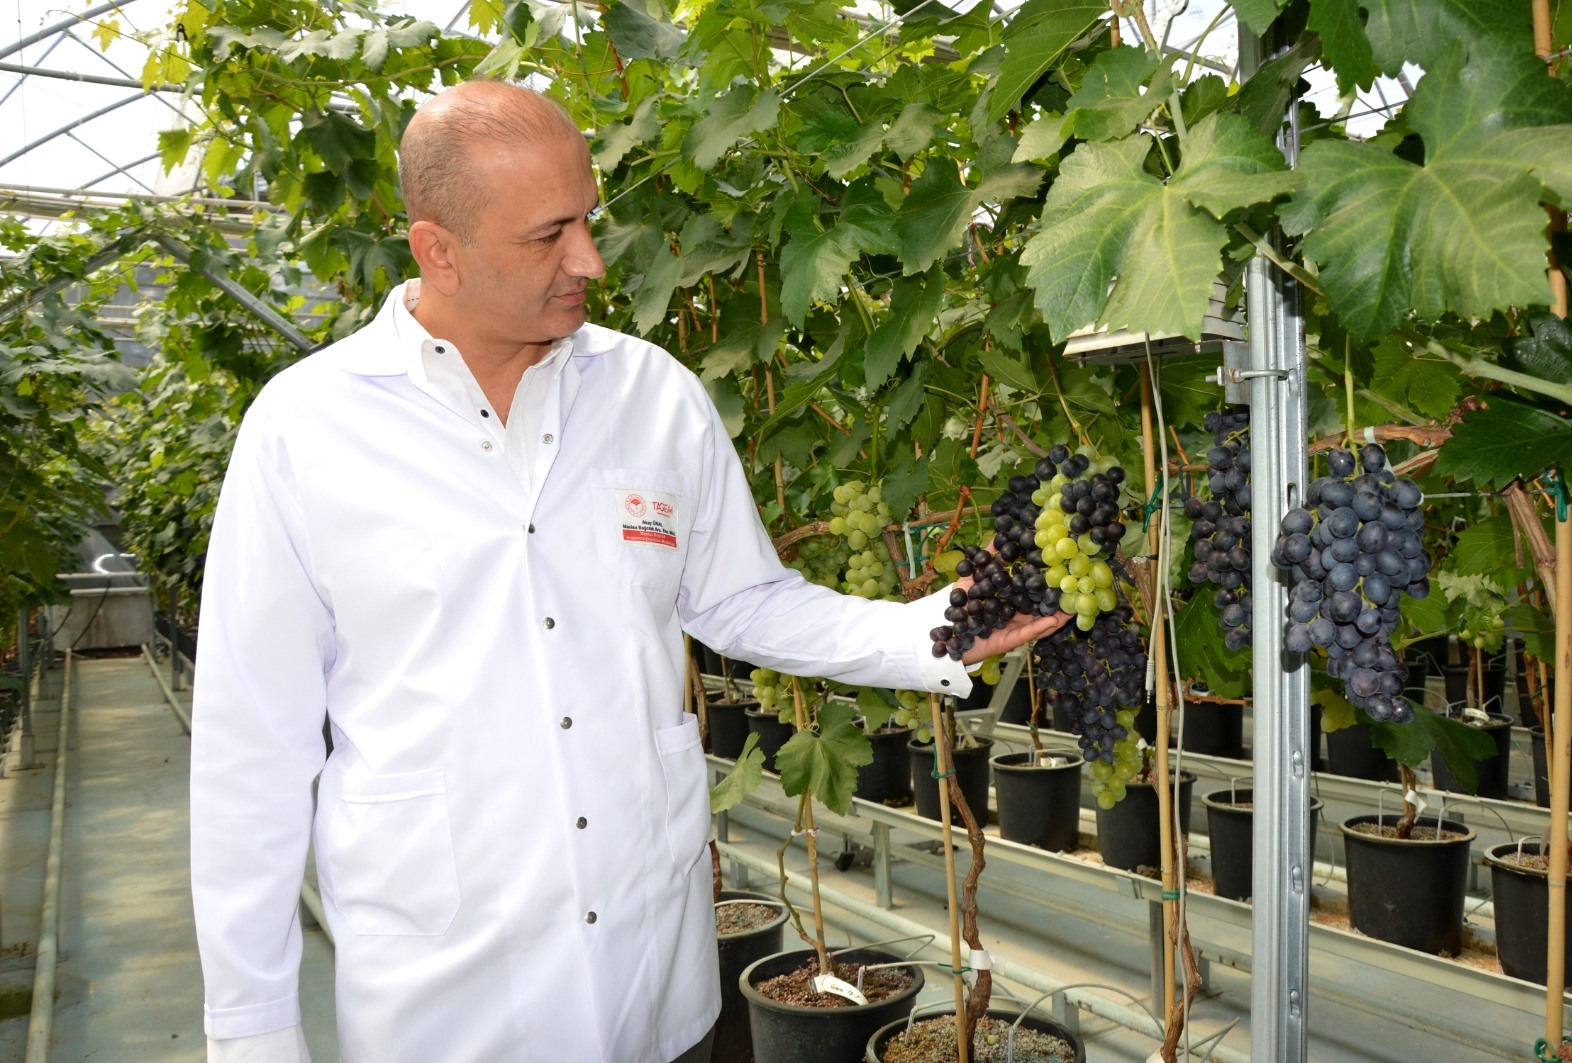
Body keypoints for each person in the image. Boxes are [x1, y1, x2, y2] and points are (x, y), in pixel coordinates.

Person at [189, 79, 1067, 1063]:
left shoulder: (653, 396)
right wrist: (252, 1031)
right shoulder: (307, 431)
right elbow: (251, 751)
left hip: (655, 994)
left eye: (588, 220)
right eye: (548, 235)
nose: (590, 260)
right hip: (444, 1013)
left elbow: (746, 600)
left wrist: (936, 629)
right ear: (438, 249)